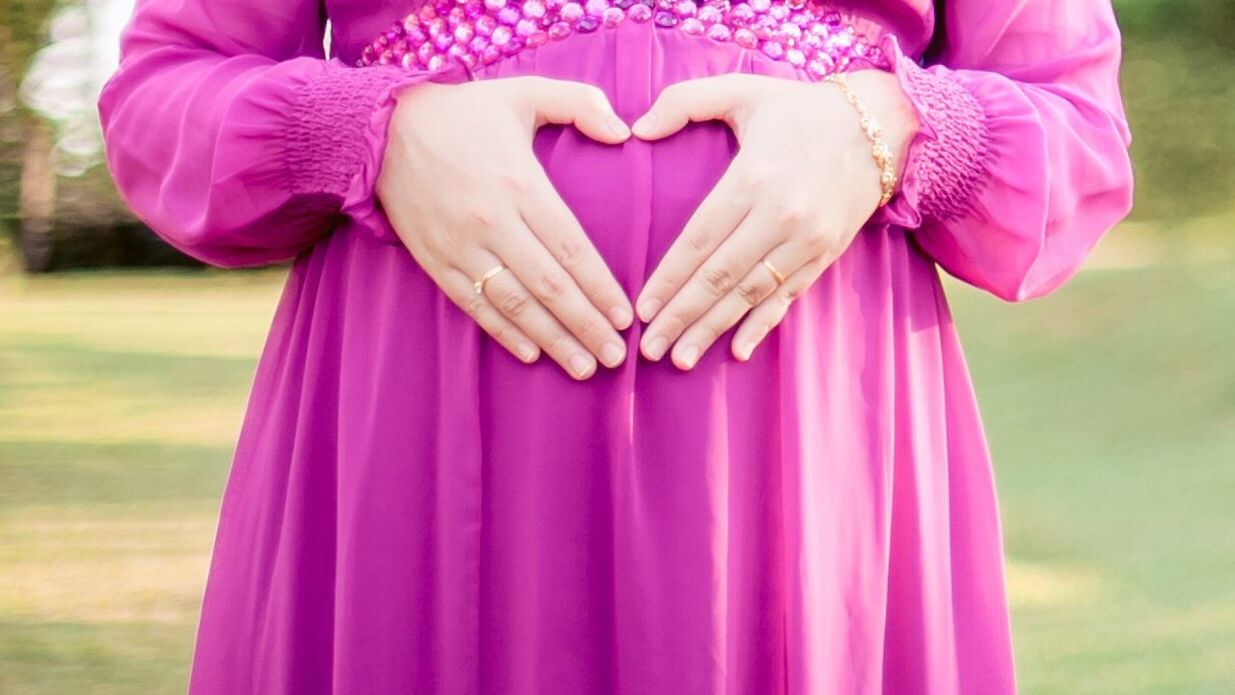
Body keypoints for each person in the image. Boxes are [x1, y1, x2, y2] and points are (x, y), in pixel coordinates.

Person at [96, 0, 1134, 690]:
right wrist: (362, 128)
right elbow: (161, 98)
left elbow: (1075, 130)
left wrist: (895, 126)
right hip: (416, 437)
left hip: (811, 444)